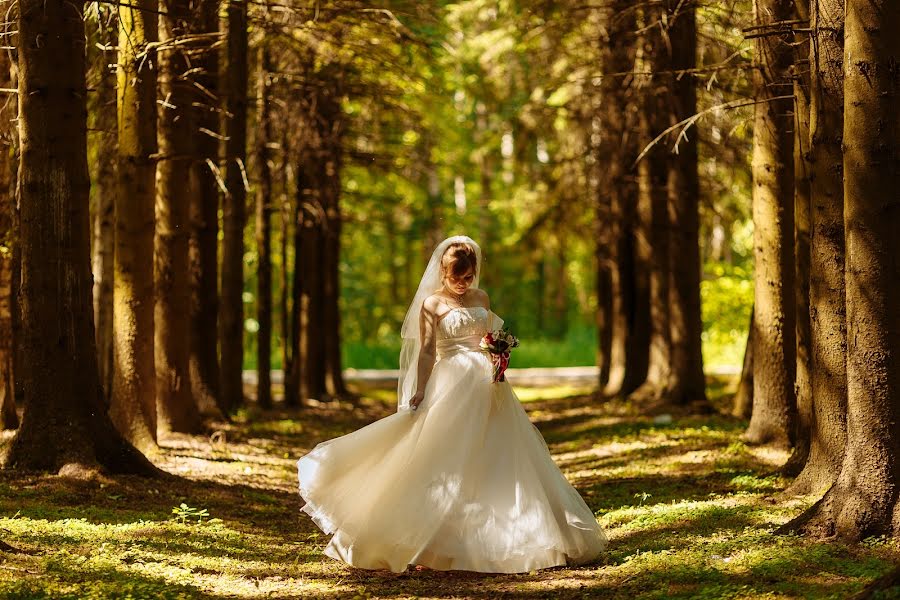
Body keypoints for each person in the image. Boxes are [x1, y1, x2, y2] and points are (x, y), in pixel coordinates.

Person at [296, 235, 607, 573]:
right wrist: (420, 388)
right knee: (443, 453)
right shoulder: (432, 304)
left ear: (475, 272)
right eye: (456, 277)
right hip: (452, 383)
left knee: (499, 451)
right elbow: (428, 350)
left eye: (468, 277)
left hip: (489, 384)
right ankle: (429, 538)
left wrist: (498, 355)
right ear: (443, 273)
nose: (462, 284)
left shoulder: (481, 298)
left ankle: (513, 532)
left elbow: (487, 339)